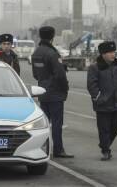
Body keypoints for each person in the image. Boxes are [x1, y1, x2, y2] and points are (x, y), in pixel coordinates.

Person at [31, 26, 74, 158]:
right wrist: (64, 88)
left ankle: (40, 148)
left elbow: (35, 74)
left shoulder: (36, 53)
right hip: (55, 92)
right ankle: (58, 149)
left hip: (42, 91)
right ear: (52, 36)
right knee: (57, 123)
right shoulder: (52, 53)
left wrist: (44, 81)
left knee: (44, 123)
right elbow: (60, 75)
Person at [87, 41, 117, 161]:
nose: (113, 54)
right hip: (103, 104)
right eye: (110, 52)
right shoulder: (94, 68)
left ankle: (105, 144)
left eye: (113, 52)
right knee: (104, 128)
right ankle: (106, 150)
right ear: (103, 54)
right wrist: (99, 98)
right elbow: (92, 85)